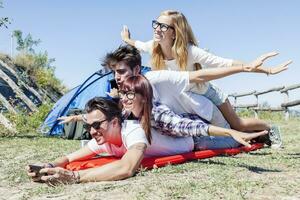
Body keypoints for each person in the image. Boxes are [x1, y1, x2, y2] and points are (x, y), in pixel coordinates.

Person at [27, 77, 266, 185]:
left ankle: (264, 131)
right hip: (191, 127)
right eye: (89, 126)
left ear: (114, 121)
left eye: (96, 125)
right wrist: (49, 165)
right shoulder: (102, 135)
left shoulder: (132, 131)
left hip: (198, 138)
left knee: (237, 140)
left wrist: (75, 177)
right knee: (235, 132)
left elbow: (127, 167)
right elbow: (70, 157)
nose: (92, 131)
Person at [120, 10, 292, 141]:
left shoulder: (188, 51)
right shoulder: (153, 47)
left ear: (174, 32)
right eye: (156, 24)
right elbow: (137, 44)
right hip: (186, 97)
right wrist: (127, 39)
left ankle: (270, 128)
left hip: (206, 92)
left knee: (238, 124)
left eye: (163, 26)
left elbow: (223, 63)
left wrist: (266, 71)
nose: (157, 29)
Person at [103, 45, 289, 147]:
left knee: (235, 130)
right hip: (187, 117)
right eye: (114, 73)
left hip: (203, 109)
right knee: (220, 134)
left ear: (136, 69)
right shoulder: (129, 91)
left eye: (121, 72)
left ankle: (267, 128)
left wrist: (243, 68)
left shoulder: (155, 78)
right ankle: (254, 136)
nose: (117, 78)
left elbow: (199, 76)